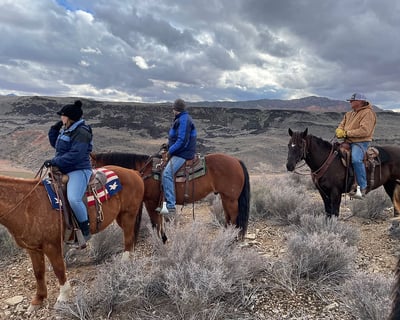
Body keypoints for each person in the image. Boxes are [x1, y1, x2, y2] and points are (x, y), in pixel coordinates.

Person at [44, 100, 93, 240]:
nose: (61, 118)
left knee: (73, 198)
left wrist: (54, 161)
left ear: (69, 117)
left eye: (62, 116)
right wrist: (54, 130)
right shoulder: (68, 129)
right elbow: (57, 146)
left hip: (79, 169)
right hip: (64, 168)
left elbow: (76, 155)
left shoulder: (82, 132)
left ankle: (85, 229)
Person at [335, 93, 377, 199]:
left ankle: (363, 187)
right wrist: (339, 130)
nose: (350, 102)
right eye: (350, 101)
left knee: (356, 160)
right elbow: (341, 125)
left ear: (360, 101)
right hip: (347, 141)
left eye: (352, 101)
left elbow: (365, 131)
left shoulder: (368, 113)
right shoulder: (349, 114)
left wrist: (346, 133)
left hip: (361, 142)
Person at [161, 98, 197, 216]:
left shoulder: (184, 120)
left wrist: (170, 151)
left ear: (175, 109)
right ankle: (162, 203)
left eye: (173, 108)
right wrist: (167, 146)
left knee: (167, 174)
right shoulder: (181, 118)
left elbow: (182, 141)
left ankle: (171, 207)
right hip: (180, 151)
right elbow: (176, 138)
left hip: (183, 153)